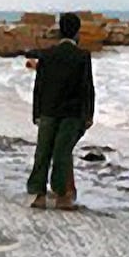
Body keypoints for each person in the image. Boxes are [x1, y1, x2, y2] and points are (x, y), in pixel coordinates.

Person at [26, 12, 95, 210]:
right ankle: (61, 196)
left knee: (43, 152)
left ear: (60, 31)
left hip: (48, 110)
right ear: (77, 33)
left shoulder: (47, 55)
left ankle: (38, 195)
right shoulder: (82, 56)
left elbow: (39, 85)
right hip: (72, 113)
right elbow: (87, 88)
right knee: (62, 153)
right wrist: (88, 114)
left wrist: (36, 112)